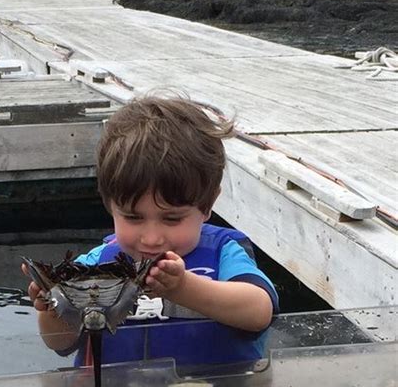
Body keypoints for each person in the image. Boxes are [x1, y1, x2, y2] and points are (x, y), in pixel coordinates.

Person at [25, 95, 279, 367]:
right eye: (133, 217)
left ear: (207, 206)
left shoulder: (223, 251)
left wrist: (183, 288)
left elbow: (259, 311)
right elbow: (58, 342)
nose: (152, 238)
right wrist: (52, 307)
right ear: (110, 204)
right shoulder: (93, 265)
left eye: (171, 219)